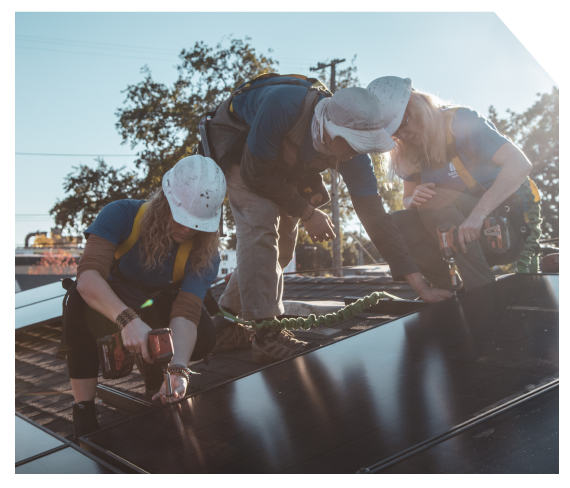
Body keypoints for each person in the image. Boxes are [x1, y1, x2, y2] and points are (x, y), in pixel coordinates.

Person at [200, 73, 452, 363]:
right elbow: (255, 174)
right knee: (261, 226)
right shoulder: (283, 105)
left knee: (280, 250)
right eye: (355, 143)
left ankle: (226, 325)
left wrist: (420, 286)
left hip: (284, 165)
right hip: (241, 153)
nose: (359, 151)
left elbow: (376, 218)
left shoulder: (354, 155)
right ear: (331, 132)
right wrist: (307, 212)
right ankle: (267, 336)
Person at [62, 155, 226, 441]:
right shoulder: (120, 215)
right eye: (181, 217)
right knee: (76, 302)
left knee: (204, 334)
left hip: (156, 308)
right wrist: (127, 320)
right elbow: (88, 278)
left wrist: (179, 368)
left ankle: (157, 374)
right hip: (108, 305)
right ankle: (84, 411)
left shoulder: (206, 254)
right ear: (164, 200)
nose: (187, 229)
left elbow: (186, 312)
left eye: (196, 224)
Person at [369, 77, 541, 292]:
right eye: (395, 132)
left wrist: (477, 215)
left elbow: (520, 164)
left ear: (417, 104)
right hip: (463, 240)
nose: (404, 135)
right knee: (395, 222)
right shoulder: (408, 149)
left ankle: (483, 293)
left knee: (435, 201)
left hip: (506, 228)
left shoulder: (460, 122)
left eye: (404, 123)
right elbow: (407, 200)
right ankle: (450, 292)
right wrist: (414, 198)